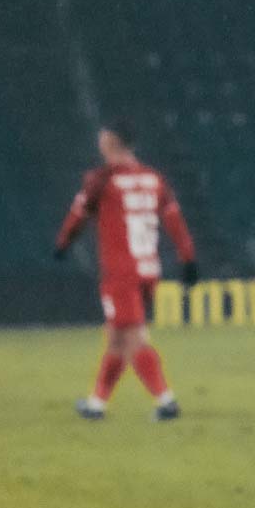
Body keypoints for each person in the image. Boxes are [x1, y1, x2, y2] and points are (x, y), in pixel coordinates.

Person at [52, 121, 196, 422]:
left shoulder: (102, 180)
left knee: (133, 338)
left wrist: (63, 243)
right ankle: (96, 405)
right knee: (117, 338)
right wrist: (187, 258)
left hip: (120, 273)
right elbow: (174, 219)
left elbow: (78, 214)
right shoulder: (154, 179)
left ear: (111, 143)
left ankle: (166, 401)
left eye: (103, 140)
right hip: (148, 269)